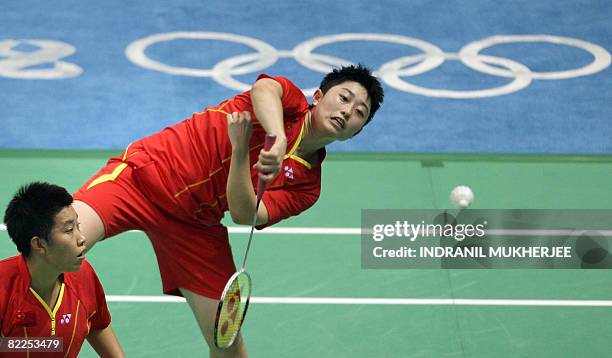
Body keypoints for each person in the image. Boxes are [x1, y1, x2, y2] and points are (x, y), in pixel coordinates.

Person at [72, 64, 384, 357]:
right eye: (344, 98)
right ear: (317, 97)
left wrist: (240, 151)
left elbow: (245, 215)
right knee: (60, 242)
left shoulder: (307, 187)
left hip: (194, 225)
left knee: (228, 344)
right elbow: (264, 88)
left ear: (356, 133)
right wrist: (276, 138)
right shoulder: (287, 102)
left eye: (359, 113)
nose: (346, 111)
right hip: (141, 177)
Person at [0, 182, 125, 358]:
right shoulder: (4, 289)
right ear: (39, 244)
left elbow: (97, 323)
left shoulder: (83, 276)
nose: (82, 238)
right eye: (69, 230)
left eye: (78, 226)